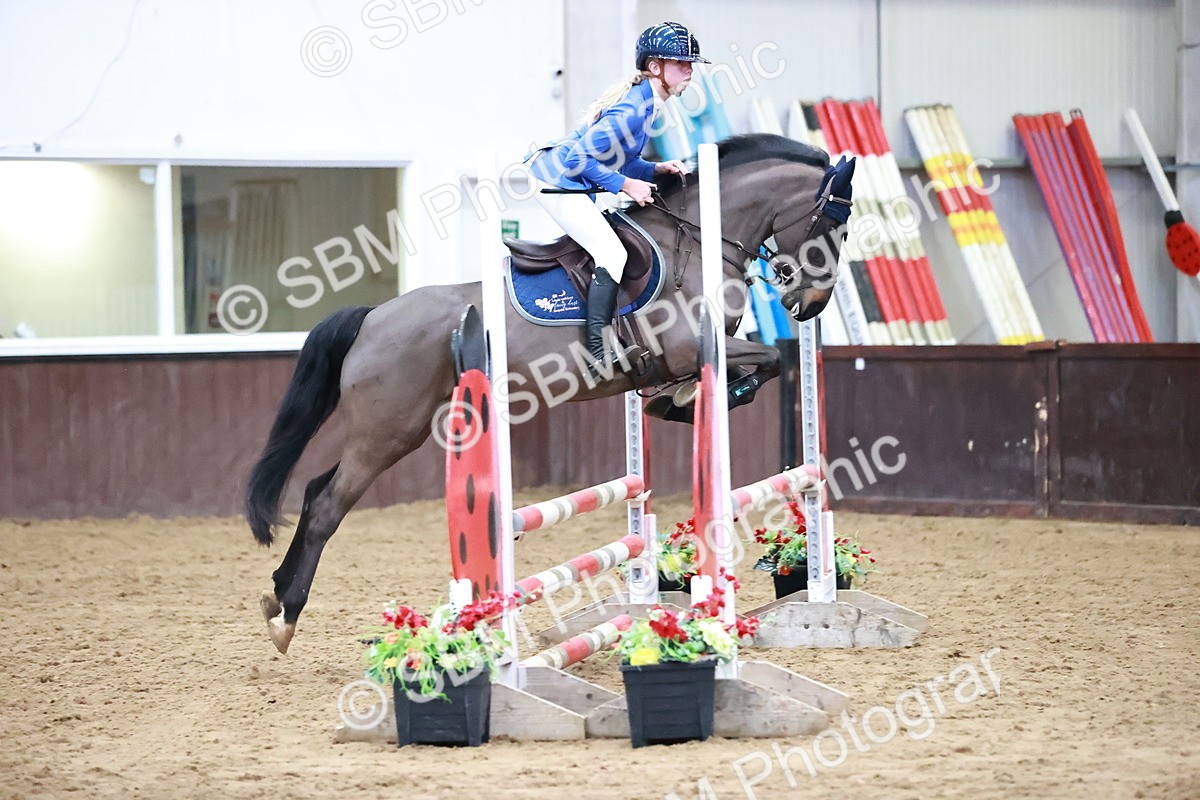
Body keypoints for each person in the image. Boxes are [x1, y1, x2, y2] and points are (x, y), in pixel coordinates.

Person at [527, 21, 709, 374]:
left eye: (691, 64)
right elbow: (577, 159)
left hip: (570, 180)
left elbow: (618, 158)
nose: (690, 70)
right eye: (681, 63)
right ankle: (596, 354)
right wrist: (627, 185)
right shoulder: (633, 109)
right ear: (655, 67)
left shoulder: (647, 101)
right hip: (555, 182)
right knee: (611, 251)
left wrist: (654, 171)